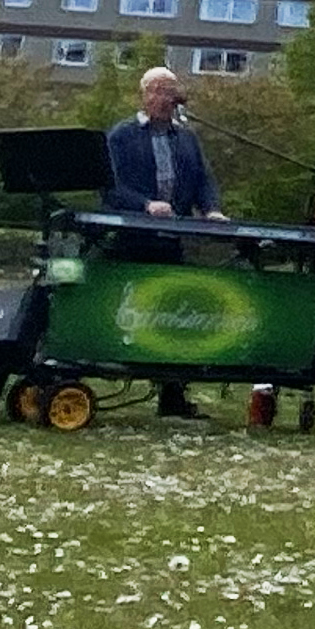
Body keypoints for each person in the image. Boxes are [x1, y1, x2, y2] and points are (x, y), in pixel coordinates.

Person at [102, 66, 228, 419]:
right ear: (144, 94)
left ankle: (172, 397)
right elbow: (109, 187)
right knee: (128, 307)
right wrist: (145, 204)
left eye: (170, 91)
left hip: (172, 238)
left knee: (173, 310)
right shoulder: (122, 136)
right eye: (157, 90)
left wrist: (212, 209)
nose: (165, 98)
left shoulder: (187, 138)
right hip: (131, 236)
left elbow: (204, 179)